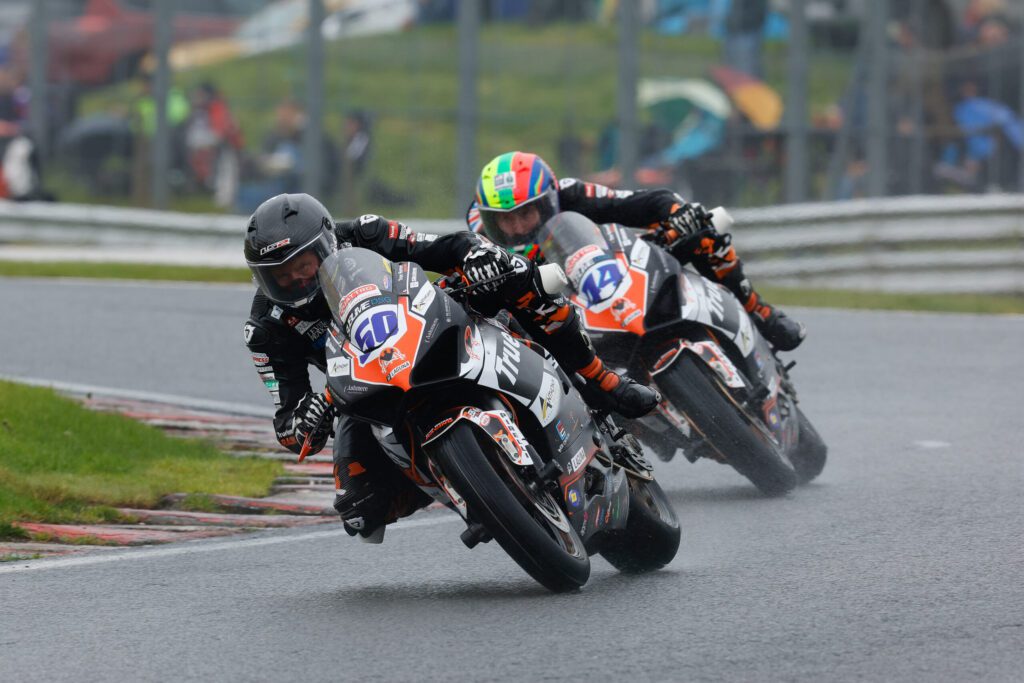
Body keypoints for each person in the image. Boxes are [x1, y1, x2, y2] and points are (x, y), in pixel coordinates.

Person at [243, 193, 660, 538]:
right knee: (359, 510)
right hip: (368, 387)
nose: (296, 281)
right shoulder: (266, 328)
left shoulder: (365, 234)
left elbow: (443, 247)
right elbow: (287, 424)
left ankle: (600, 380)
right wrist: (305, 420)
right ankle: (470, 489)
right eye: (278, 276)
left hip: (431, 327)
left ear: (327, 244)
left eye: (303, 266)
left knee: (519, 278)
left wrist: (478, 255)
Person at [466, 151, 805, 351]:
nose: (518, 227)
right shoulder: (478, 231)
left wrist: (677, 213)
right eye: (505, 221)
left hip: (612, 271)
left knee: (700, 231)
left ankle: (758, 310)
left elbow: (646, 202)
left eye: (526, 213)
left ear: (548, 201)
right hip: (555, 308)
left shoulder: (571, 194)